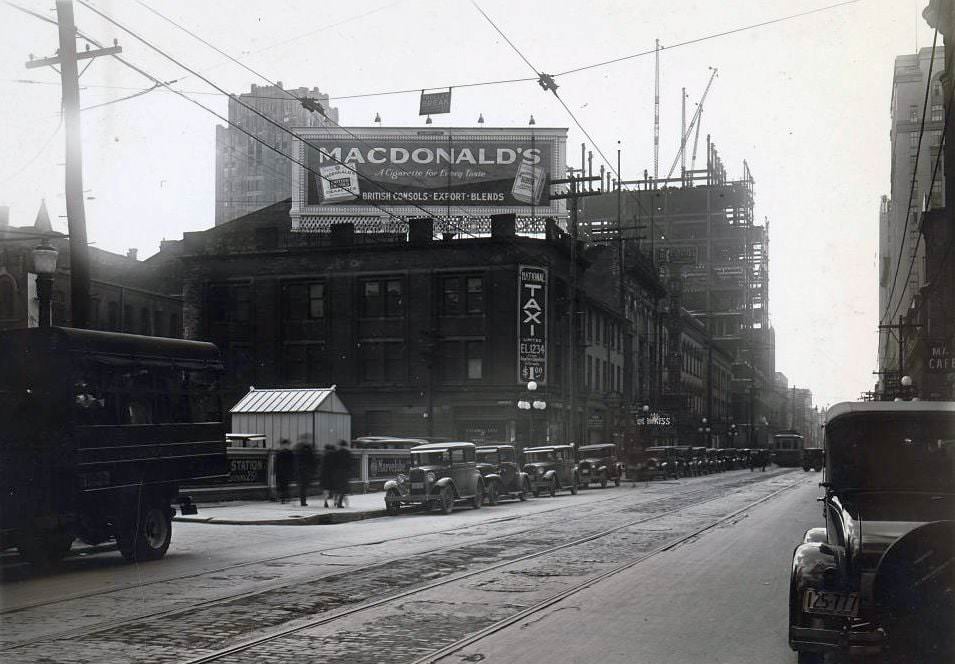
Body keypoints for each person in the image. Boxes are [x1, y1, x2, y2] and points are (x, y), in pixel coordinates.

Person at [294, 440, 317, 506]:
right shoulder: (310, 453)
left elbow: (296, 463)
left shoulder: (300, 453)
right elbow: (313, 463)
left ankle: (302, 501)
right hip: (307, 473)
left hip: (301, 473)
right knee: (304, 487)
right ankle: (303, 501)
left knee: (302, 488)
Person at [333, 440, 354, 508]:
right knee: (343, 489)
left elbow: (334, 463)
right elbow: (350, 463)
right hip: (345, 473)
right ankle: (339, 503)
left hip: (337, 472)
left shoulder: (336, 453)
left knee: (337, 488)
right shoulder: (347, 453)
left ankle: (335, 501)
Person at [274, 439, 294, 504]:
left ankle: (283, 498)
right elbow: (292, 463)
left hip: (282, 471)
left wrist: (275, 470)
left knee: (283, 485)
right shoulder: (289, 452)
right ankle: (285, 498)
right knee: (284, 485)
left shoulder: (279, 452)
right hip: (284, 471)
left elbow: (276, 462)